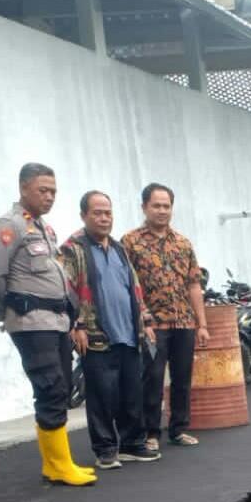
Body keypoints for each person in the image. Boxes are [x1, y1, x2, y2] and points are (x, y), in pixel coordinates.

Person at [0, 162, 96, 486]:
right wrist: (6, 310)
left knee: (61, 388)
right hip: (31, 321)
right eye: (42, 190)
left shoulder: (43, 228)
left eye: (53, 192)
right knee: (50, 386)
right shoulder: (10, 226)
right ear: (23, 188)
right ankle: (57, 465)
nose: (49, 197)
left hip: (55, 321)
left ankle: (58, 462)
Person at [59, 191, 161, 468]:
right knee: (101, 395)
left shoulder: (118, 249)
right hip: (95, 335)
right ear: (84, 215)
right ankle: (105, 449)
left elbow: (134, 287)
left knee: (132, 393)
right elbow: (65, 291)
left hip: (128, 332)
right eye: (97, 213)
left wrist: (146, 321)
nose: (104, 218)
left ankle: (132, 444)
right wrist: (76, 325)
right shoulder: (72, 249)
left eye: (108, 213)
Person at [121, 183, 208, 451]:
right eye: (156, 206)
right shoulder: (130, 242)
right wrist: (138, 319)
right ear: (144, 207)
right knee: (153, 378)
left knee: (182, 378)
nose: (162, 211)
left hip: (183, 322)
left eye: (166, 206)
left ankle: (179, 429)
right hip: (152, 324)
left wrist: (202, 324)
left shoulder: (183, 243)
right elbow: (126, 285)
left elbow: (194, 285)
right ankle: (150, 433)